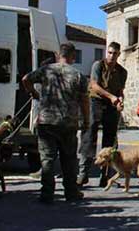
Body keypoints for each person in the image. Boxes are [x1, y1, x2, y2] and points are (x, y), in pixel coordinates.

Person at [22, 43, 89, 204]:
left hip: (46, 121)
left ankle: (47, 193)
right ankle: (71, 192)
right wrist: (86, 120)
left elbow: (25, 79)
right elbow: (84, 101)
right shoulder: (78, 75)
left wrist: (33, 93)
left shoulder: (46, 70)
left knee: (47, 159)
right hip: (68, 123)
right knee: (69, 159)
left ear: (59, 55)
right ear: (73, 56)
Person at [78, 41, 128, 187]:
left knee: (110, 140)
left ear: (119, 54)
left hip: (112, 106)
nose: (112, 56)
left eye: (115, 53)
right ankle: (83, 173)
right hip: (96, 102)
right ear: (107, 52)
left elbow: (120, 91)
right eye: (110, 52)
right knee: (89, 135)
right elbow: (94, 85)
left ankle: (105, 176)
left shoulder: (122, 72)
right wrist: (111, 97)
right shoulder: (98, 65)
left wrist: (120, 101)